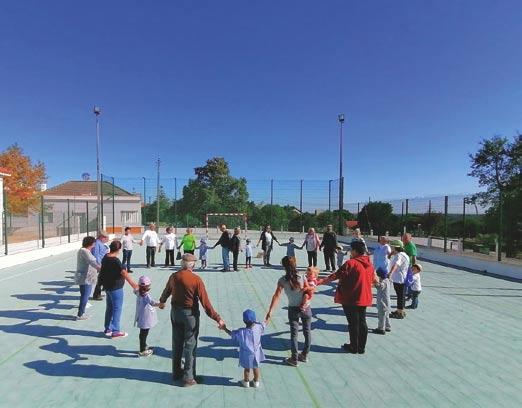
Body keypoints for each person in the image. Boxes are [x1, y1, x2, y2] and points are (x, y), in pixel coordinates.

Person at [159, 254, 225, 387]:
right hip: (190, 315)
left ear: (182, 263)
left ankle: (176, 373)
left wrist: (162, 301)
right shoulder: (196, 280)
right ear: (193, 265)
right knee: (190, 345)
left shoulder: (174, 276)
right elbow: (205, 303)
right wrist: (217, 318)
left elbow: (167, 291)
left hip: (175, 313)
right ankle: (189, 377)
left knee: (177, 343)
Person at [317, 241, 377, 354]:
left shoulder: (351, 263)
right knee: (362, 321)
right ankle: (361, 347)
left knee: (353, 323)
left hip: (351, 297)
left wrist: (320, 281)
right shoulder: (369, 264)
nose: (350, 252)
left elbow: (336, 275)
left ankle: (354, 346)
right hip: (364, 296)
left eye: (351, 249)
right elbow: (373, 279)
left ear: (355, 251)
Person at [265, 256, 311, 367]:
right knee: (307, 332)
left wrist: (270, 311)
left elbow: (276, 296)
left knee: (294, 334)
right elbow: (308, 290)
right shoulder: (302, 276)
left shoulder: (282, 280)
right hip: (306, 307)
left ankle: (294, 359)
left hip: (293, 309)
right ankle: (304, 355)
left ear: (284, 266)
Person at [222, 309, 266, 388]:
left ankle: (246, 382)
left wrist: (224, 328)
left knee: (247, 369)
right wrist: (268, 316)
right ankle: (256, 382)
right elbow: (264, 324)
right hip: (256, 353)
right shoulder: (259, 327)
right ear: (255, 319)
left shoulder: (241, 332)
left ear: (244, 321)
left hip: (246, 354)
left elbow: (232, 334)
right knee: (256, 367)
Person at [123, 274, 161, 356]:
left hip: (141, 317)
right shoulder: (146, 295)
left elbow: (134, 288)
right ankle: (142, 350)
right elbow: (153, 303)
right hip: (146, 318)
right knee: (144, 334)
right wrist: (160, 304)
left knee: (143, 333)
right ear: (147, 287)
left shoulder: (138, 292)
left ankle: (143, 345)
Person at [98, 240, 129, 338]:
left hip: (107, 287)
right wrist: (134, 285)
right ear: (119, 249)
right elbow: (124, 273)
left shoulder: (105, 257)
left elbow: (102, 271)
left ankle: (108, 328)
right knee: (117, 308)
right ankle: (115, 330)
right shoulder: (115, 260)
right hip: (116, 287)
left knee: (110, 307)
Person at [75, 236, 101, 320]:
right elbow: (92, 261)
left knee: (85, 295)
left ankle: (82, 312)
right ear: (91, 243)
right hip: (85, 278)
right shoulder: (84, 251)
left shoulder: (85, 250)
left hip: (87, 277)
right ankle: (80, 314)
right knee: (85, 295)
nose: (95, 244)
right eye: (94, 243)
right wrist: (100, 268)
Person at [388, 240, 410, 319]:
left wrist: (390, 273)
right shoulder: (404, 255)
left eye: (392, 247)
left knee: (400, 296)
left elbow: (396, 265)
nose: (391, 249)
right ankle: (400, 311)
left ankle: (400, 313)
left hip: (399, 279)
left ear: (395, 247)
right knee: (401, 295)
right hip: (401, 278)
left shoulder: (399, 255)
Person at [372, 261, 392, 335]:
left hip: (382, 302)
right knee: (386, 315)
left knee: (381, 316)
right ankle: (387, 326)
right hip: (387, 301)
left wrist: (375, 282)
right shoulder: (388, 280)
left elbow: (380, 287)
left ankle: (381, 328)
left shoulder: (383, 282)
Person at [91, 231, 109, 300]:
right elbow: (96, 255)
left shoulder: (100, 243)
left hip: (102, 263)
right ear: (101, 237)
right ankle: (96, 295)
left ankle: (98, 293)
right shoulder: (97, 243)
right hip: (99, 264)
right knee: (99, 280)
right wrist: (99, 265)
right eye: (105, 237)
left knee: (101, 279)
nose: (106, 239)